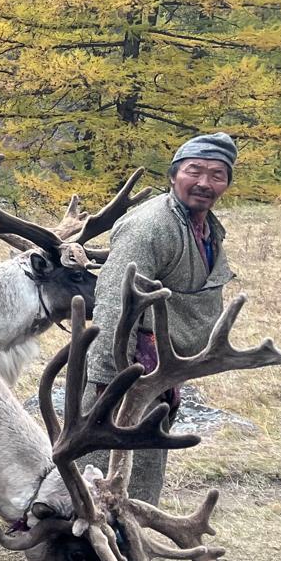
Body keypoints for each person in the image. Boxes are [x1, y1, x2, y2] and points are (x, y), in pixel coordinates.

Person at [84, 133, 237, 504]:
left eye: (217, 174)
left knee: (144, 459)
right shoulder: (150, 226)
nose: (204, 182)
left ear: (227, 183)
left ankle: (128, 534)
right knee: (101, 465)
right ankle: (78, 546)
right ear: (173, 175)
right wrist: (108, 379)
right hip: (131, 369)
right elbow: (113, 301)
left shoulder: (206, 227)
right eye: (194, 171)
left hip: (163, 371)